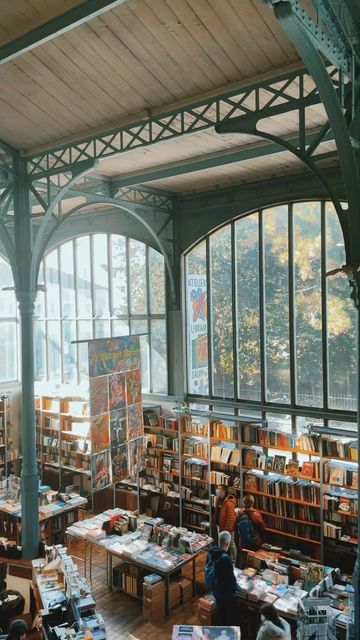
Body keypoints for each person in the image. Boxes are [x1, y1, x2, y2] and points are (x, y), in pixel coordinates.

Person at [206, 530, 240, 625]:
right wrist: (239, 589)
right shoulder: (226, 559)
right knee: (228, 616)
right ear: (228, 543)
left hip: (215, 590)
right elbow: (230, 578)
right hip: (226, 592)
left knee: (220, 611)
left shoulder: (211, 554)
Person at [214, 484, 237, 562]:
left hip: (228, 528)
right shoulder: (217, 499)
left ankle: (235, 560)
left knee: (231, 543)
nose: (217, 490)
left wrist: (228, 530)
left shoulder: (229, 502)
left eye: (219, 489)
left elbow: (231, 518)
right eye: (217, 488)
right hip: (220, 525)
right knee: (222, 543)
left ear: (224, 491)